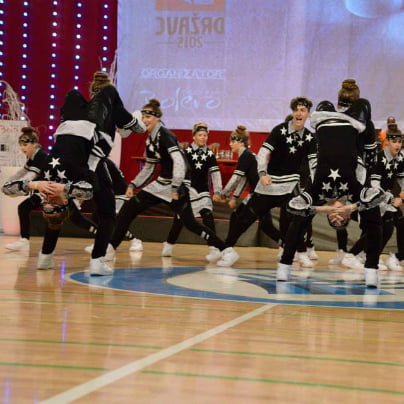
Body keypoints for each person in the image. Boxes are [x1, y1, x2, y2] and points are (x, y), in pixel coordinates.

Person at [107, 98, 238, 270]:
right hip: (161, 184)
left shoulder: (166, 136)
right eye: (143, 117)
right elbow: (149, 167)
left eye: (148, 117)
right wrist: (133, 185)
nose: (144, 120)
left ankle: (227, 251)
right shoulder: (150, 140)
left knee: (190, 223)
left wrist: (176, 187)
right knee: (128, 209)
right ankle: (110, 248)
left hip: (176, 185)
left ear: (157, 118)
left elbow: (179, 162)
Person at [278, 80, 384, 288]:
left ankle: (284, 265)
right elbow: (373, 192)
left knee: (299, 221)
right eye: (340, 219)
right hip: (353, 127)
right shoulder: (355, 191)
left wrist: (324, 208)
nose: (336, 216)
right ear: (347, 216)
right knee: (374, 219)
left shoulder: (318, 191)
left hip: (326, 123)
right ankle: (372, 270)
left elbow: (298, 209)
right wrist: (351, 207)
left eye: (332, 219)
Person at [214, 97, 316, 267]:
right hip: (269, 183)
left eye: (303, 110)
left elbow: (314, 164)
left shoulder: (310, 138)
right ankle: (227, 250)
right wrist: (262, 173)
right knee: (245, 218)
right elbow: (263, 152)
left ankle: (302, 252)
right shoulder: (279, 130)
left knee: (293, 219)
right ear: (293, 112)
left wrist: (314, 186)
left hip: (291, 184)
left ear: (308, 114)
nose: (299, 113)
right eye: (296, 110)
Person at [85, 71, 146, 275]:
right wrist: (137, 117)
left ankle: (46, 256)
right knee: (107, 214)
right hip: (95, 161)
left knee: (64, 209)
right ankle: (98, 259)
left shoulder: (84, 108)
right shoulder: (111, 103)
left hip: (73, 161)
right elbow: (135, 128)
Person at [162, 122, 222, 258]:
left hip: (203, 191)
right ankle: (169, 244)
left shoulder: (210, 154)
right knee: (179, 220)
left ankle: (213, 247)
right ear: (194, 136)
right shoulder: (186, 152)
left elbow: (215, 173)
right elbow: (178, 170)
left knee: (208, 216)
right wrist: (175, 188)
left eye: (205, 135)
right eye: (200, 135)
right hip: (187, 190)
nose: (203, 138)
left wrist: (217, 191)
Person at [4, 127, 48, 251]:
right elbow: (22, 172)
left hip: (49, 189)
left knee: (73, 216)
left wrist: (18, 185)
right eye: (21, 144)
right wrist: (8, 182)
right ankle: (24, 239)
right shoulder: (33, 156)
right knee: (23, 208)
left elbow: (31, 176)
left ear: (34, 144)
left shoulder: (40, 155)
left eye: (25, 144)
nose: (22, 148)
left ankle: (24, 240)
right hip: (43, 189)